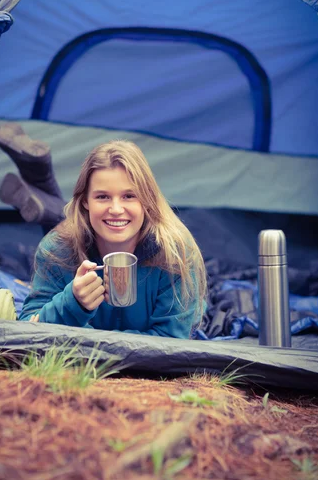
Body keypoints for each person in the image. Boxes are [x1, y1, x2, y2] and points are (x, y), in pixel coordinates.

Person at [16, 139, 207, 338]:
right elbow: (28, 328)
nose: (116, 210)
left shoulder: (175, 253)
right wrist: (73, 303)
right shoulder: (57, 250)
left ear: (147, 201)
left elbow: (172, 339)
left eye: (129, 196)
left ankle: (42, 186)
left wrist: (92, 340)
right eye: (102, 197)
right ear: (85, 202)